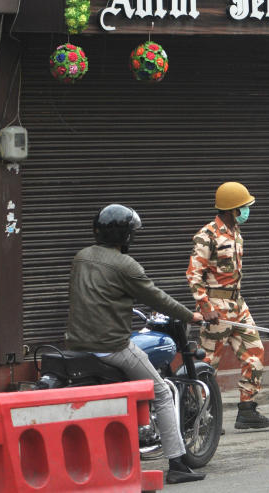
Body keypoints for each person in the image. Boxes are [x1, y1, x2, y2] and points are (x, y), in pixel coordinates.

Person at [66, 204, 206, 485]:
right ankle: (178, 463)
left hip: (77, 344)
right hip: (112, 346)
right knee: (163, 391)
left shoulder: (81, 257)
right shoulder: (126, 265)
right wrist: (191, 314)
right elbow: (157, 298)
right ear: (125, 236)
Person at [186, 181, 269, 430]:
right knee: (208, 364)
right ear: (231, 209)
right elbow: (193, 275)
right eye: (244, 207)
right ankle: (200, 417)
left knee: (255, 353)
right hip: (216, 307)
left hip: (238, 304)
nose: (247, 211)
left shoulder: (236, 232)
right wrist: (204, 307)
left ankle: (247, 410)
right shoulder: (207, 236)